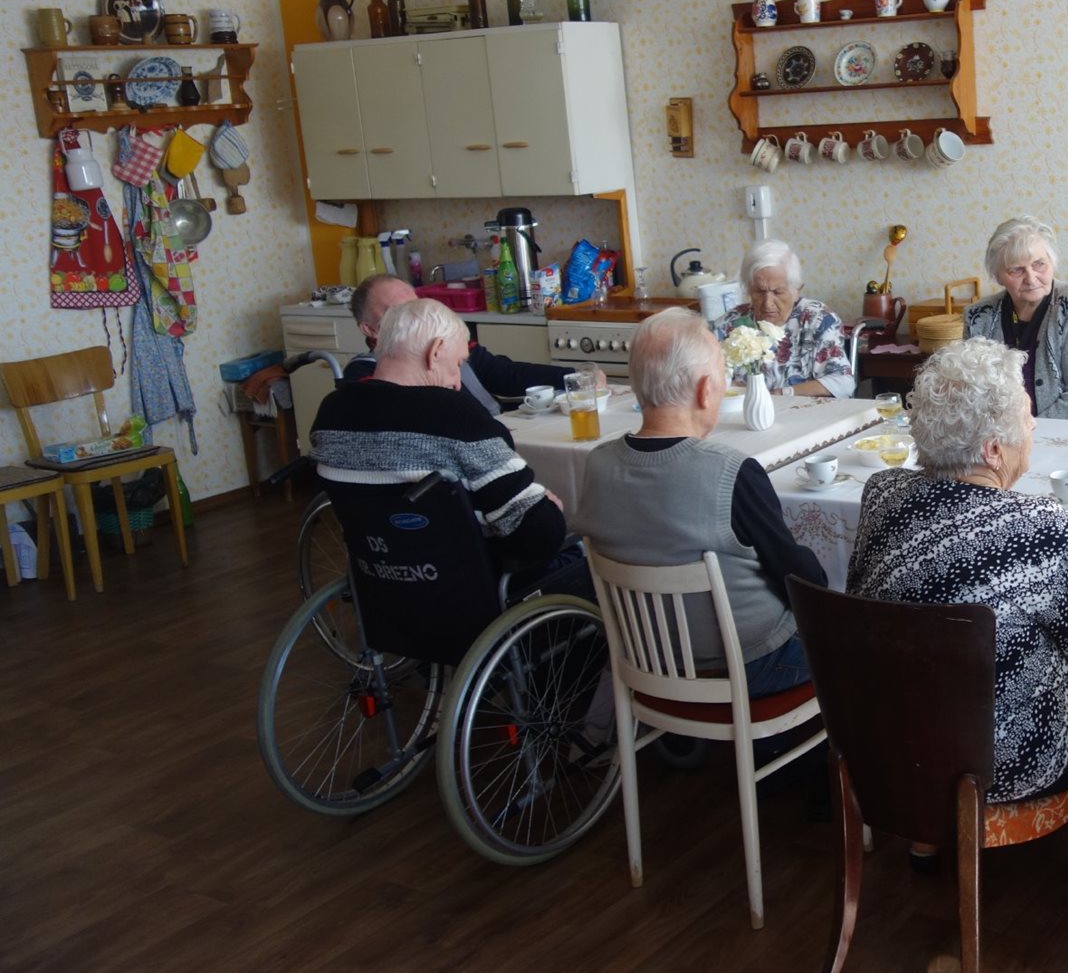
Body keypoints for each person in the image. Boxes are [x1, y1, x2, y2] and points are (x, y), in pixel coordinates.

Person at [846, 338, 1068, 888]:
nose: (1033, 425)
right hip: (999, 763)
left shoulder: (881, 493)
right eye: (1026, 414)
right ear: (994, 450)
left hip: (895, 744)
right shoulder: (1039, 526)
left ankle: (926, 834)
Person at [573, 308, 824, 695]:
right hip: (749, 667)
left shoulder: (597, 464)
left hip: (645, 661)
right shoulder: (731, 472)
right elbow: (800, 580)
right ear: (706, 390)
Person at [310, 297, 568, 572]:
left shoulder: (329, 413)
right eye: (457, 364)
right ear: (435, 352)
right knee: (576, 557)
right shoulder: (456, 416)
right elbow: (539, 536)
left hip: (377, 580)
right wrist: (546, 508)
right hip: (469, 582)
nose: (457, 382)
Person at [344, 273, 580, 414]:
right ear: (369, 329)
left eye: (415, 305)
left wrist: (574, 377)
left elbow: (506, 373)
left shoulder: (451, 345)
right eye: (396, 312)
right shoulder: (364, 375)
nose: (412, 316)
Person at [961, 215, 1068, 420]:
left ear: (1052, 263)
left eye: (1039, 264)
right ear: (998, 276)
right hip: (1001, 436)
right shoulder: (979, 316)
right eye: (1017, 270)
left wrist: (1028, 432)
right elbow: (971, 397)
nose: (1031, 279)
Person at [710, 241, 854, 397]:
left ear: (797, 290)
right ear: (748, 289)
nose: (768, 303)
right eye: (759, 292)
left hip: (804, 410)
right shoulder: (729, 324)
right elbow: (702, 378)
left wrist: (781, 394)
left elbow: (842, 383)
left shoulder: (817, 319)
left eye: (777, 292)